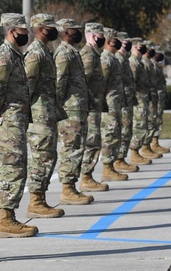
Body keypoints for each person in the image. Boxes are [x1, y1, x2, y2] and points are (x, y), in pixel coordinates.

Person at [0, 14, 39, 238]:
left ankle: (10, 216)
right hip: (8, 120)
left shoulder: (15, 55)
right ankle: (6, 220)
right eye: (22, 30)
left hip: (17, 119)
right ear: (11, 31)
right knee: (10, 167)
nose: (26, 34)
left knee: (17, 167)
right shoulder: (4, 55)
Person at [24, 14, 65, 218]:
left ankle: (40, 197)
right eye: (50, 27)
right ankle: (36, 201)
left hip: (47, 114)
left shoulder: (46, 51)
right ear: (40, 28)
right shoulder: (35, 53)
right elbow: (28, 86)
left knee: (49, 155)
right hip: (38, 116)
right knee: (41, 157)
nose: (54, 30)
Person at [53, 19, 93, 205]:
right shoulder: (63, 53)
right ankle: (67, 189)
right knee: (71, 148)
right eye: (75, 30)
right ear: (66, 32)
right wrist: (58, 107)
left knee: (77, 147)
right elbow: (59, 83)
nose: (78, 33)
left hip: (78, 108)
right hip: (70, 109)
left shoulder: (72, 52)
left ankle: (71, 186)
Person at [79, 23, 109, 193]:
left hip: (94, 106)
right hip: (89, 107)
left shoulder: (95, 54)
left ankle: (87, 176)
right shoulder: (88, 55)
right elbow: (83, 81)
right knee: (91, 142)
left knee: (94, 141)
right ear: (91, 35)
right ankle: (86, 177)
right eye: (99, 35)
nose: (102, 39)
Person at [99, 28, 129, 182]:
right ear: (109, 40)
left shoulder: (113, 58)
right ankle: (107, 168)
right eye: (115, 39)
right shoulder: (105, 59)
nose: (118, 42)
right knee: (109, 136)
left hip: (115, 104)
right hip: (109, 106)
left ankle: (112, 165)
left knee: (115, 134)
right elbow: (101, 84)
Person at [129, 38, 158, 164]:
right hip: (139, 99)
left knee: (144, 124)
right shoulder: (134, 62)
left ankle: (141, 149)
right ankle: (135, 153)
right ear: (135, 47)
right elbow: (133, 83)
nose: (143, 48)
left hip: (144, 98)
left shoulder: (139, 62)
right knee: (139, 125)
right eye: (140, 46)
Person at [114, 32, 139, 174]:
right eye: (125, 42)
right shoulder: (118, 59)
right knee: (121, 131)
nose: (127, 44)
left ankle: (121, 159)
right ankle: (118, 160)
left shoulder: (124, 59)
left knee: (126, 130)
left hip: (126, 100)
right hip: (120, 101)